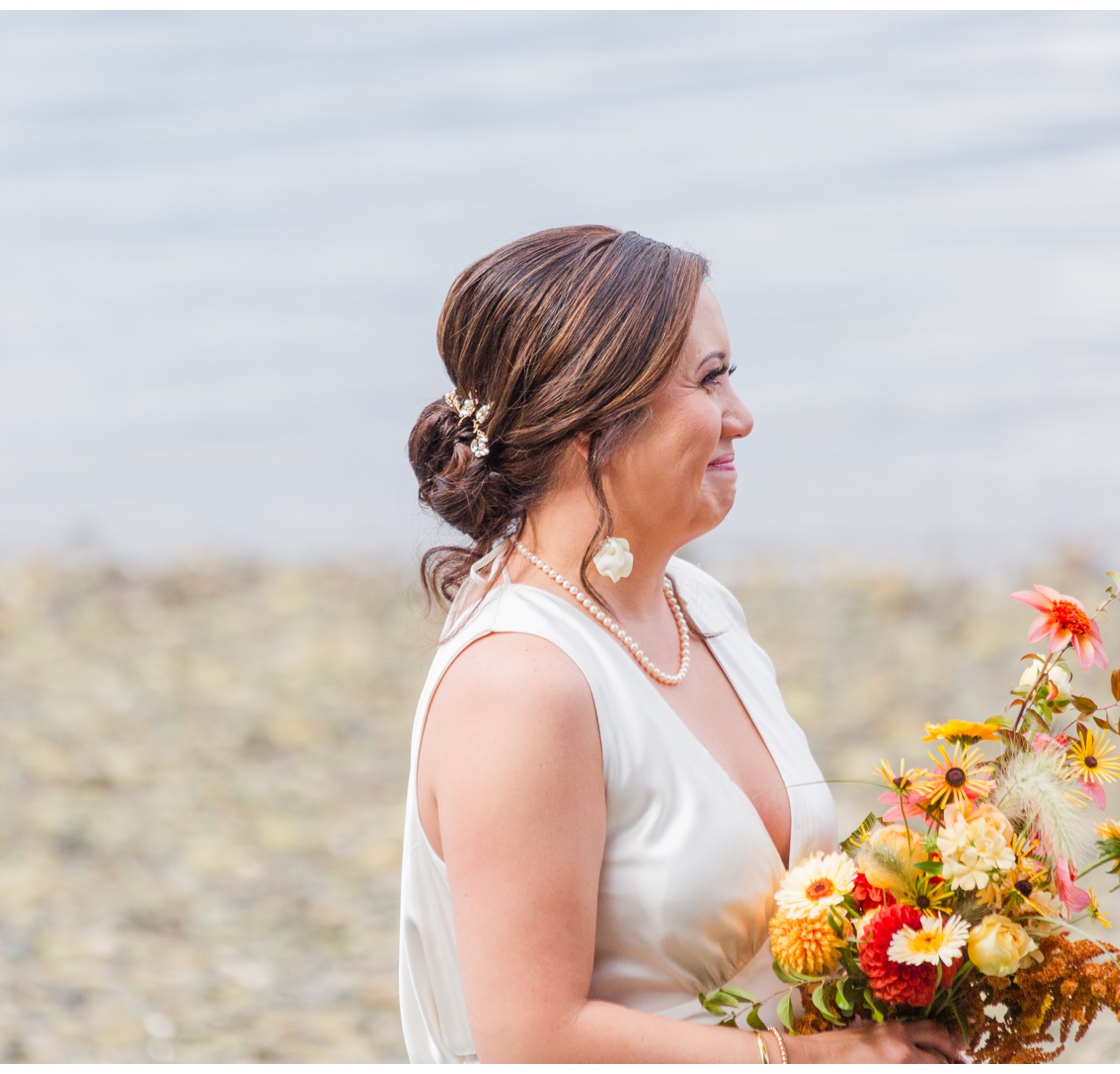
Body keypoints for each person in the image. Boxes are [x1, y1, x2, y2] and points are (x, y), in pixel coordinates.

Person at [399, 226, 962, 1063]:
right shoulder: (522, 687)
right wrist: (813, 1060)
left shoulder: (696, 604)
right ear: (591, 421)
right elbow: (531, 1039)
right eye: (710, 379)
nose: (742, 416)